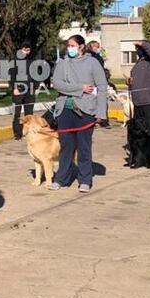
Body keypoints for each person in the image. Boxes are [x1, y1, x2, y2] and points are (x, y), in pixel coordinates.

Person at [50, 35, 108, 193]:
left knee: (84, 147)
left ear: (81, 46)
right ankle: (61, 179)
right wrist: (80, 88)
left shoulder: (93, 63)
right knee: (66, 147)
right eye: (68, 45)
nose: (70, 48)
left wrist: (101, 113)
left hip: (86, 111)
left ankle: (85, 180)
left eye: (72, 45)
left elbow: (102, 87)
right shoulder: (63, 62)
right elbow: (57, 84)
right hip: (65, 110)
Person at [128, 41, 150, 146]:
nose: (137, 51)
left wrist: (143, 43)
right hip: (138, 102)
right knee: (140, 132)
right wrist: (130, 82)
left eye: (139, 49)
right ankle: (142, 157)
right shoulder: (139, 63)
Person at [10, 40, 37, 140]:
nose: (26, 52)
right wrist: (14, 88)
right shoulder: (15, 61)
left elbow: (35, 76)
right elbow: (12, 76)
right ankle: (17, 134)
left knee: (29, 113)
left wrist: (34, 87)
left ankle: (28, 132)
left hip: (29, 90)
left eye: (28, 50)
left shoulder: (32, 61)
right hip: (19, 89)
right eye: (24, 49)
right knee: (17, 113)